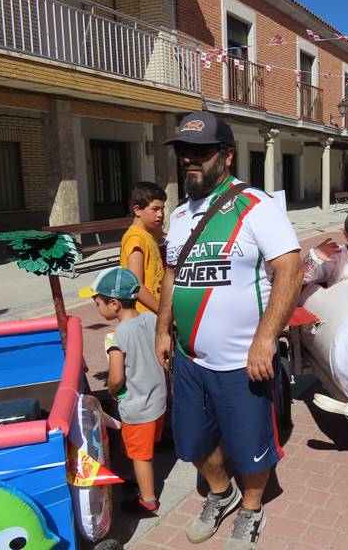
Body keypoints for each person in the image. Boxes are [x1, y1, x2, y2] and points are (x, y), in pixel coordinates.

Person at [154, 111, 302, 550]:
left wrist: (264, 339)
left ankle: (251, 510)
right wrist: (163, 329)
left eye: (200, 151)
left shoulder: (256, 206)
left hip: (243, 361)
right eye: (184, 151)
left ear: (227, 155)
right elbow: (170, 275)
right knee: (192, 442)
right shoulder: (180, 215)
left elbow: (289, 271)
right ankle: (222, 495)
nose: (189, 160)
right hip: (189, 358)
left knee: (252, 445)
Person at [78, 266, 167, 515]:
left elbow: (116, 377)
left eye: (98, 303)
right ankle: (140, 480)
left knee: (140, 455)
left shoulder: (120, 336)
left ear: (114, 304)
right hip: (158, 400)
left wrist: (111, 389)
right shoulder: (151, 319)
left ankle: (148, 500)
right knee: (145, 450)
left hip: (137, 407)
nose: (98, 308)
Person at [120, 181, 167, 313]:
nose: (160, 214)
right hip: (145, 317)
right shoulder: (136, 238)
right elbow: (135, 284)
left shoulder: (148, 234)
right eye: (155, 209)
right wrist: (163, 312)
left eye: (162, 209)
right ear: (137, 210)